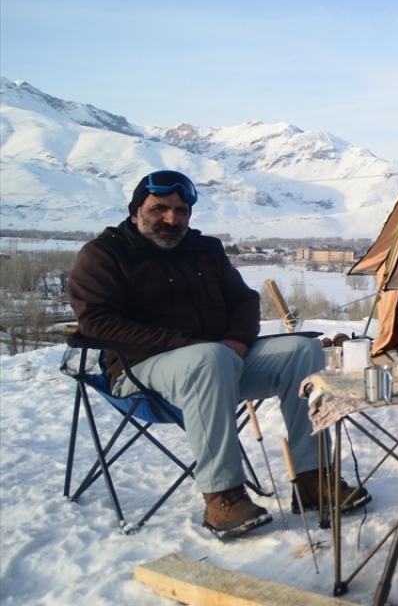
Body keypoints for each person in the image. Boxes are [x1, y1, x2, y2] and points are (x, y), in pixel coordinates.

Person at [67, 170, 371, 539]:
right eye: (159, 208)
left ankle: (312, 479)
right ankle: (223, 497)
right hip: (141, 371)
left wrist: (238, 341)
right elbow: (97, 323)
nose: (171, 219)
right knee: (209, 359)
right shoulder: (104, 254)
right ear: (135, 212)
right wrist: (189, 345)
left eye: (181, 210)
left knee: (303, 350)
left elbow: (244, 299)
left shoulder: (205, 249)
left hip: (221, 360)